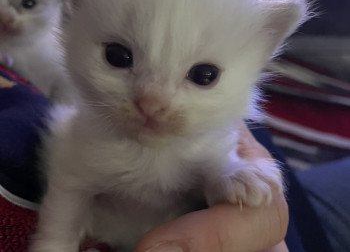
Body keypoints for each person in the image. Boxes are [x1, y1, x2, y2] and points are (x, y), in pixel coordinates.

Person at [0, 63, 340, 252]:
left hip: (284, 216)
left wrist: (229, 175)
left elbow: (226, 159)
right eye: (120, 57)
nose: (151, 101)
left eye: (202, 75)